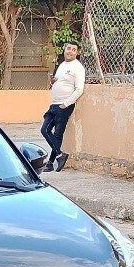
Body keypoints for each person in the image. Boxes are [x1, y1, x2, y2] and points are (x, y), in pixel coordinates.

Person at [40, 41, 85, 172]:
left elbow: (79, 89)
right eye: (68, 48)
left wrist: (66, 104)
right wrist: (52, 82)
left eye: (74, 50)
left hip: (64, 105)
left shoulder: (78, 68)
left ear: (77, 53)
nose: (70, 51)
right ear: (65, 50)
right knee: (45, 130)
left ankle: (50, 162)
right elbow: (58, 84)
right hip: (54, 104)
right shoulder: (62, 65)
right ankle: (60, 156)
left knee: (58, 134)